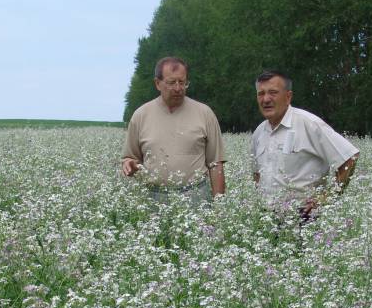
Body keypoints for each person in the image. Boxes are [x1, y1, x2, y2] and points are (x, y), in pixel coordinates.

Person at [251, 70, 359, 222]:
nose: (266, 99)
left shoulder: (309, 124)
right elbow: (257, 174)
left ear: (288, 97)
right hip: (266, 219)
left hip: (303, 217)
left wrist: (326, 198)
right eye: (260, 94)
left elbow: (349, 156)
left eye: (273, 92)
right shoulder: (259, 132)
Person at [121, 57, 226, 206]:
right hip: (153, 198)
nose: (178, 88)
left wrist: (220, 207)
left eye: (182, 82)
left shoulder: (205, 113)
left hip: (196, 197)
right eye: (171, 83)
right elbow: (130, 158)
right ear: (157, 83)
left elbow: (216, 164)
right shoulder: (140, 115)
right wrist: (129, 164)